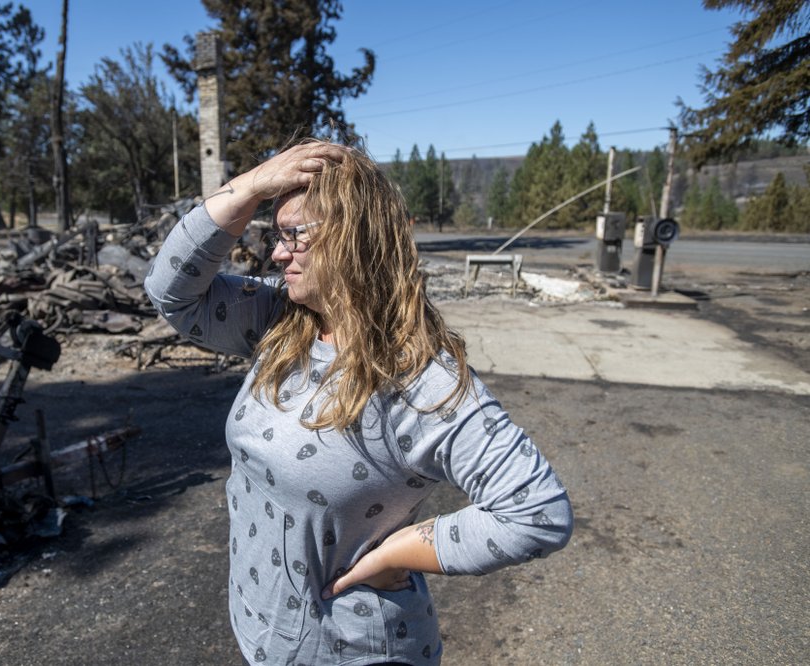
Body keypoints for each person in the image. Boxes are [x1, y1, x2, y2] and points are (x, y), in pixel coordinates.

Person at [145, 140, 573, 665]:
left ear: (354, 238)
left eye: (293, 235)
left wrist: (400, 551)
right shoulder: (279, 321)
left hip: (348, 650)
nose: (278, 255)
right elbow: (170, 292)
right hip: (263, 630)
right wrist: (253, 183)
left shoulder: (419, 379)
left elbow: (537, 513)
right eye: (276, 237)